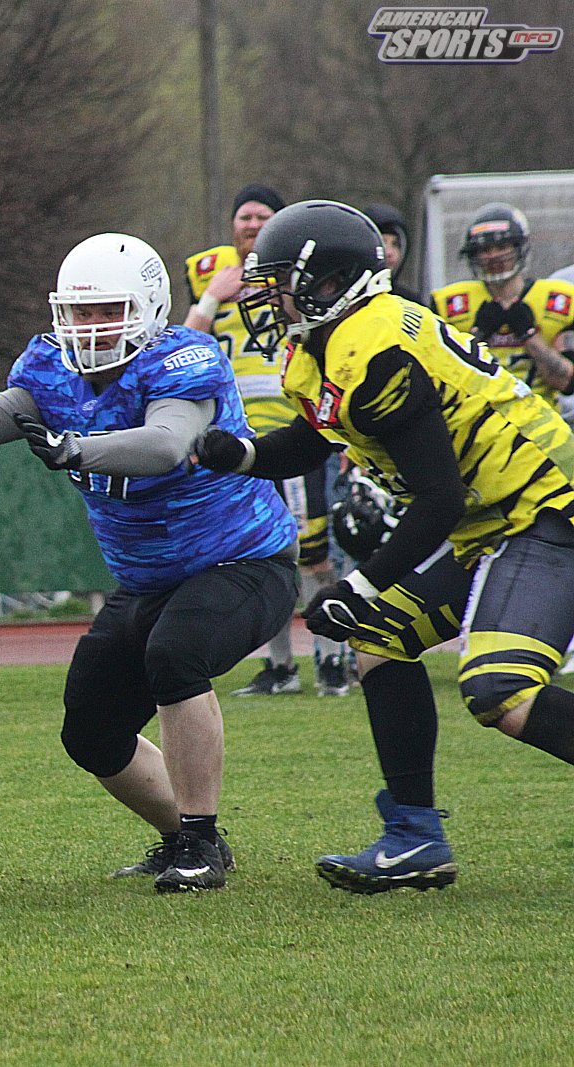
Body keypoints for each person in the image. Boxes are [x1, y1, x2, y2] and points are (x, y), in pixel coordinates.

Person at [0, 234, 298, 893]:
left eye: (108, 311)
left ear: (149, 308)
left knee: (176, 654)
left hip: (243, 558)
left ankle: (199, 840)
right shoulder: (51, 366)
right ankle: (181, 837)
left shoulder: (184, 358)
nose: (91, 326)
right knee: (91, 730)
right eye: (80, 311)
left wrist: (77, 447)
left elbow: (166, 443)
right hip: (148, 578)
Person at [194, 199, 574, 894]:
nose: (269, 299)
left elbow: (438, 498)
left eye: (281, 283)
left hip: (546, 506)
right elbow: (318, 434)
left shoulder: (374, 346)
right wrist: (243, 455)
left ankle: (415, 834)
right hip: (493, 520)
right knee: (378, 641)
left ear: (330, 282)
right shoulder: (331, 344)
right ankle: (415, 837)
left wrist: (360, 583)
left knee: (501, 690)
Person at [187, 185, 348, 698]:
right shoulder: (210, 275)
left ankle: (332, 660)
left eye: (263, 217)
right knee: (261, 554)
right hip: (236, 442)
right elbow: (183, 350)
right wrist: (212, 297)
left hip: (295, 435)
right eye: (245, 216)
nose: (253, 225)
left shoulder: (297, 278)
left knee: (315, 556)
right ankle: (280, 667)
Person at [431, 202, 574, 408]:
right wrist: (476, 337)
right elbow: (439, 380)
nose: (494, 256)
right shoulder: (449, 303)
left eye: (502, 247)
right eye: (485, 249)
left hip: (540, 417)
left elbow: (566, 382)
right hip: (476, 417)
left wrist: (530, 337)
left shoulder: (560, 299)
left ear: (518, 247)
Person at [363, 203, 423, 304]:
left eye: (395, 244)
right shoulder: (344, 302)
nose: (389, 253)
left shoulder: (411, 304)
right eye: (382, 243)